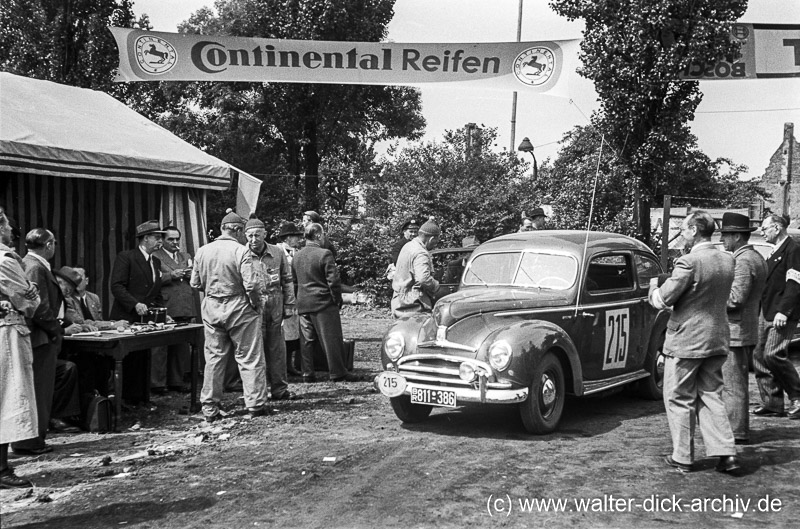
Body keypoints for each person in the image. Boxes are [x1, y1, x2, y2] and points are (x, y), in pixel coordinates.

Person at [648, 211, 739, 473]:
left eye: (686, 230)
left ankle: (683, 457)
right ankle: (726, 454)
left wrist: (654, 288)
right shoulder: (727, 259)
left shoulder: (689, 262)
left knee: (678, 397)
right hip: (717, 338)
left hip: (686, 340)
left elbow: (664, 300)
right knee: (712, 395)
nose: (684, 234)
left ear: (696, 231)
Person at [190, 209, 268, 421]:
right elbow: (251, 284)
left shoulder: (202, 250)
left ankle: (209, 407)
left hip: (212, 306)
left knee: (214, 358)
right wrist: (255, 304)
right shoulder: (240, 251)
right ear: (237, 230)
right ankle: (255, 405)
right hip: (239, 306)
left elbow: (195, 283)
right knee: (249, 356)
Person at [11, 228, 63, 455]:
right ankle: (31, 440)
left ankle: (33, 438)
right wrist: (54, 329)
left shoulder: (33, 264)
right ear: (49, 245)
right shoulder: (34, 266)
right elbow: (38, 305)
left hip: (39, 336)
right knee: (39, 390)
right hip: (39, 338)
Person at [0, 207, 41, 488]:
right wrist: (31, 294)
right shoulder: (5, 259)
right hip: (7, 333)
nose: (10, 230)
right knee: (10, 396)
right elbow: (27, 299)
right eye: (5, 224)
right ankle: (2, 469)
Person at [719, 212, 767, 445]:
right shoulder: (754, 257)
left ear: (737, 236)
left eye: (726, 235)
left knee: (733, 384)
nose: (723, 240)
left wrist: (711, 302)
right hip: (744, 329)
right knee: (735, 383)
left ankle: (737, 431)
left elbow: (735, 298)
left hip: (736, 331)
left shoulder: (743, 260)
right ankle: (737, 428)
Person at [109, 220, 166, 403]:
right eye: (157, 238)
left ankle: (140, 399)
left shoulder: (156, 262)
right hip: (126, 318)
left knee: (142, 359)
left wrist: (162, 311)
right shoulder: (126, 257)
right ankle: (122, 401)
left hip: (145, 320)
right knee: (127, 361)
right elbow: (117, 286)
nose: (160, 242)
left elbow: (155, 291)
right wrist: (135, 304)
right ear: (145, 239)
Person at [293, 222, 354, 382]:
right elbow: (333, 281)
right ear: (318, 235)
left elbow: (293, 281)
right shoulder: (324, 254)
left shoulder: (297, 255)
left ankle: (307, 373)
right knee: (331, 339)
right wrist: (337, 300)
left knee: (306, 342)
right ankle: (338, 372)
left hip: (303, 303)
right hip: (323, 303)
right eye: (324, 234)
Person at [752, 214, 800, 419]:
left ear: (778, 228)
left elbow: (794, 284)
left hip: (781, 312)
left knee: (773, 354)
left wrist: (784, 311)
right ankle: (772, 402)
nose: (762, 232)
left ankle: (797, 396)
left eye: (765, 228)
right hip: (766, 310)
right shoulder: (773, 252)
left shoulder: (793, 250)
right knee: (759, 355)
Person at [244, 216, 297, 400]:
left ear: (265, 234)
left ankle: (279, 390)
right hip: (253, 306)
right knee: (255, 351)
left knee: (277, 349)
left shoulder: (277, 252)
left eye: (257, 235)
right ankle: (258, 393)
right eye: (249, 236)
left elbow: (287, 279)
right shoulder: (241, 254)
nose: (253, 240)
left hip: (275, 303)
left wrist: (289, 304)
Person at [151, 226, 196, 393]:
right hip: (165, 304)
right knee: (160, 347)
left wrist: (192, 274)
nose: (175, 242)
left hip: (184, 304)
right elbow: (153, 279)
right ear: (162, 240)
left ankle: (176, 381)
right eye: (171, 239)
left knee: (181, 346)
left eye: (177, 239)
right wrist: (171, 275)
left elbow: (195, 277)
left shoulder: (186, 256)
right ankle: (158, 384)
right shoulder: (155, 256)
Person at [391, 218, 441, 318]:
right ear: (431, 239)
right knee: (420, 332)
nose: (435, 245)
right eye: (435, 241)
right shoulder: (421, 253)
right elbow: (423, 279)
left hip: (399, 299)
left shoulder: (408, 246)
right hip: (413, 304)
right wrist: (436, 286)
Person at [276, 221, 304, 376]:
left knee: (293, 334)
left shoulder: (297, 252)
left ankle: (290, 364)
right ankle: (281, 366)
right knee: (282, 333)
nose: (297, 239)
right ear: (286, 238)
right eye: (294, 236)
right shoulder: (277, 251)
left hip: (296, 296)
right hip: (282, 296)